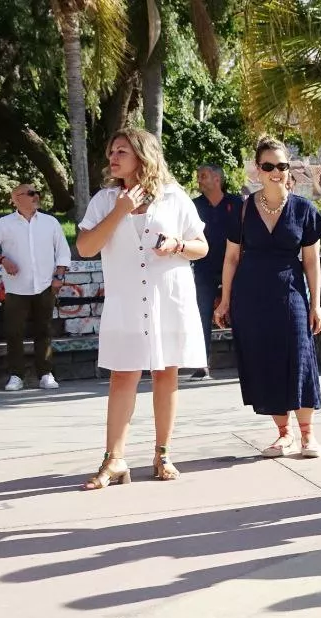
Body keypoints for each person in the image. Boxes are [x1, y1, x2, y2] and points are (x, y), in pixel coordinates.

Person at [76, 128, 209, 489]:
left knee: (167, 373)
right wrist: (120, 211)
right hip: (126, 302)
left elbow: (202, 247)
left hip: (169, 298)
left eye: (121, 151)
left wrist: (177, 244)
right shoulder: (105, 200)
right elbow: (86, 247)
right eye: (111, 151)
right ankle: (114, 459)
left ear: (142, 155)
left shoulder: (174, 197)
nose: (113, 158)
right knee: (123, 376)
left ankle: (162, 453)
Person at [215, 137, 321, 459]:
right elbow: (231, 258)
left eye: (282, 166)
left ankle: (308, 435)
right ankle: (284, 434)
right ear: (257, 170)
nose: (276, 172)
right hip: (250, 296)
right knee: (264, 360)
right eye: (268, 166)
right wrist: (224, 300)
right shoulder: (242, 210)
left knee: (299, 356)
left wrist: (316, 304)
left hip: (290, 292)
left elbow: (311, 261)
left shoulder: (304, 209)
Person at [0, 184, 71, 391]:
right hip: (16, 288)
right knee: (14, 332)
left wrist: (59, 276)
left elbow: (63, 251)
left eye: (37, 192)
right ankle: (16, 376)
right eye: (30, 193)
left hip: (45, 285)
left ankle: (46, 374)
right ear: (16, 199)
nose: (36, 196)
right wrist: (2, 259)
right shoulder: (4, 224)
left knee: (44, 330)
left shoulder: (50, 222)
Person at [190, 165, 242, 379]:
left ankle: (247, 358)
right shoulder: (194, 206)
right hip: (204, 268)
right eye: (198, 177)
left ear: (217, 178)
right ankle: (202, 363)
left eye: (203, 176)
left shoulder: (236, 203)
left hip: (236, 268)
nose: (199, 181)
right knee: (201, 313)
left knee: (240, 313)